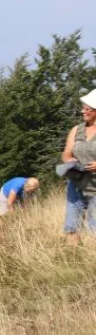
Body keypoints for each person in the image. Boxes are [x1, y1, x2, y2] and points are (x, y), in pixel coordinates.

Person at [60, 89, 96, 245]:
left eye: (87, 109)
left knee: (94, 227)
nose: (83, 111)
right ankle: (70, 259)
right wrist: (70, 161)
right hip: (76, 183)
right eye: (83, 108)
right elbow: (66, 153)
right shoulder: (76, 130)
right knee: (71, 225)